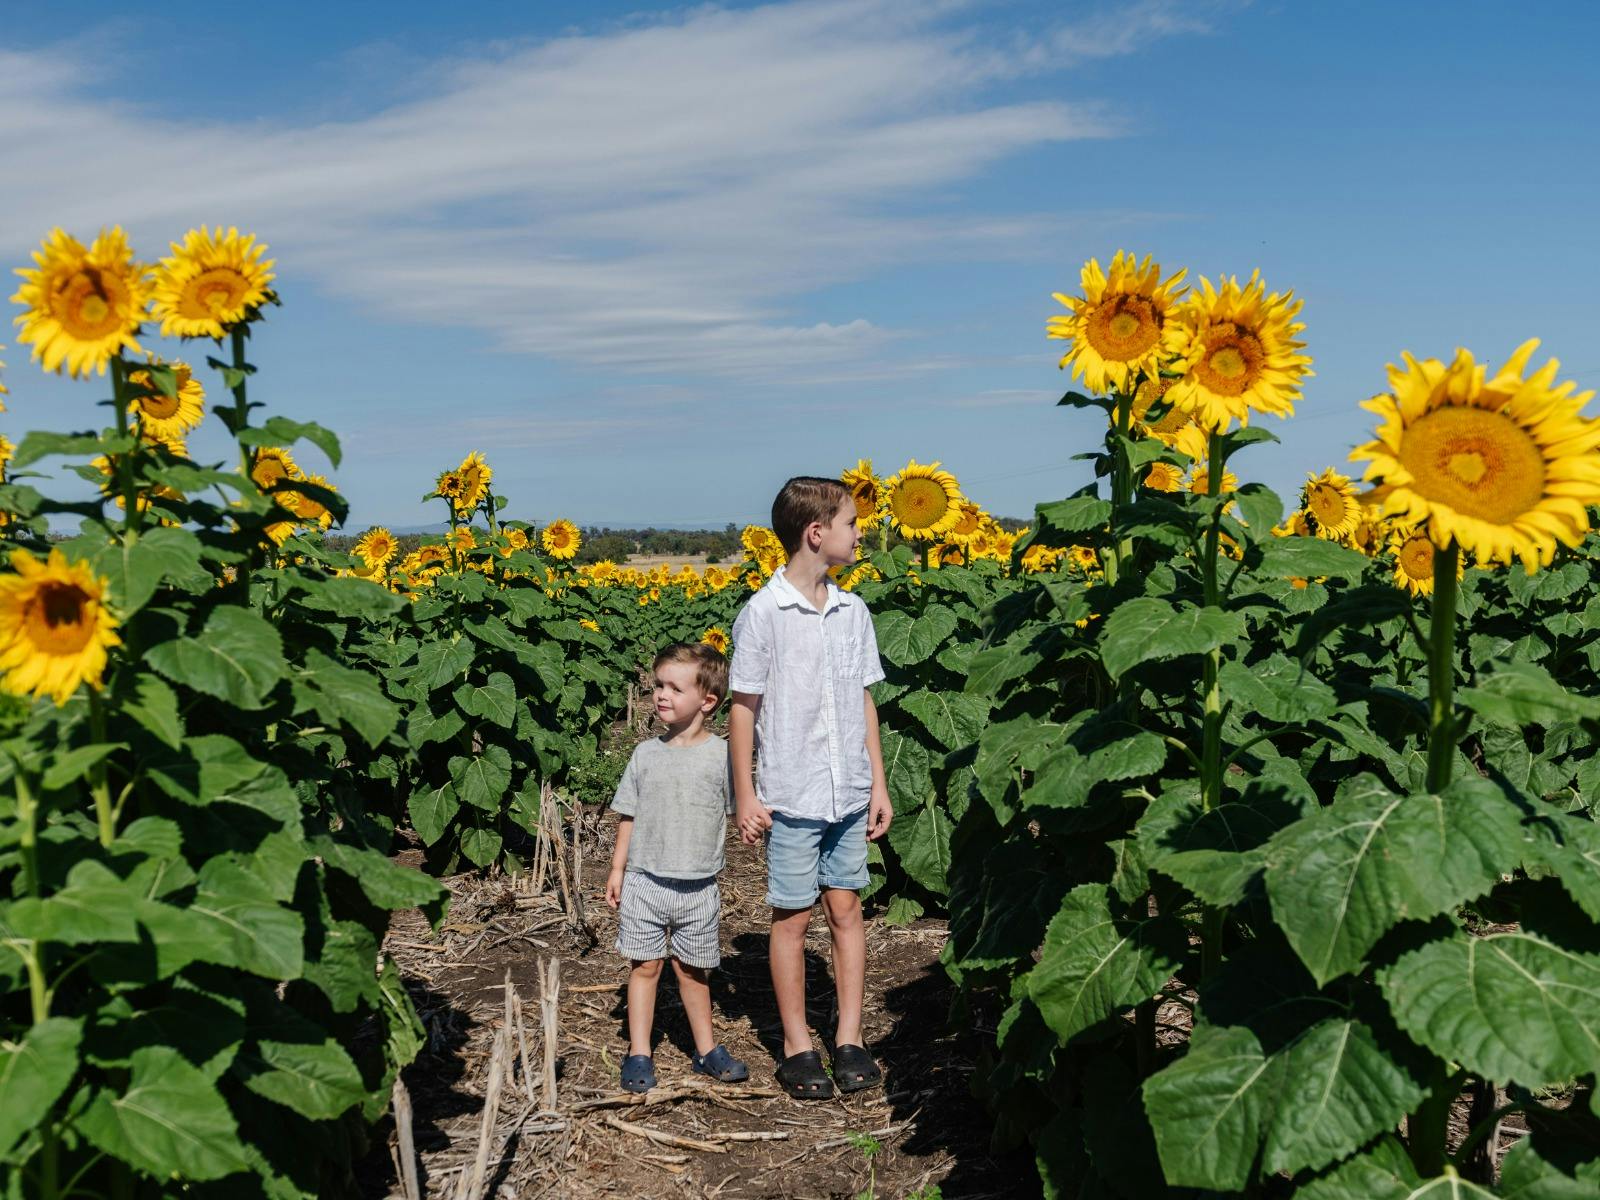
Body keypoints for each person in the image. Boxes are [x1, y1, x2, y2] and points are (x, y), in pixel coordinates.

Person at [728, 476, 893, 1100]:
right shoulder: (764, 613)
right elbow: (743, 709)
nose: (860, 533)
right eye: (852, 523)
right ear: (816, 533)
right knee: (793, 917)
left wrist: (878, 782)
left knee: (846, 909)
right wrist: (745, 793)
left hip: (847, 790)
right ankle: (797, 1045)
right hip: (793, 792)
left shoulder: (854, 612)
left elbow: (863, 700)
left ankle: (848, 1036)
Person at [605, 642, 749, 1093]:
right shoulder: (645, 754)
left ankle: (705, 1049)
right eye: (658, 685)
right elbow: (628, 815)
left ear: (708, 701)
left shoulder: (723, 756)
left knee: (692, 970)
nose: (661, 695)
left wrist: (756, 824)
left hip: (698, 887)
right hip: (644, 881)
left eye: (674, 687)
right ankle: (639, 1051)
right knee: (645, 967)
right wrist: (617, 870)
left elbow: (740, 807)